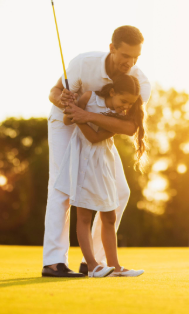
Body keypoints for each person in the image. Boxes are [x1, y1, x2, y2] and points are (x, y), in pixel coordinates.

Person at [42, 26, 151, 277]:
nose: (130, 62)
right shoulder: (84, 63)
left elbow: (130, 126)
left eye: (136, 57)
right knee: (62, 187)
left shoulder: (139, 82)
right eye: (125, 55)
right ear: (112, 48)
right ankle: (54, 262)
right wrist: (65, 102)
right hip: (65, 123)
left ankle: (97, 262)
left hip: (98, 128)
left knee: (120, 192)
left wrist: (86, 115)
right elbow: (54, 91)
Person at [55, 74, 146, 277]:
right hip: (83, 162)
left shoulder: (117, 117)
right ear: (112, 92)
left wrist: (82, 117)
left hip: (103, 165)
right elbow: (66, 119)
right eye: (123, 101)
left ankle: (114, 266)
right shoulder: (88, 97)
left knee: (110, 217)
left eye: (129, 104)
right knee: (85, 215)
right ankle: (92, 265)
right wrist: (71, 108)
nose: (125, 107)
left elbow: (94, 137)